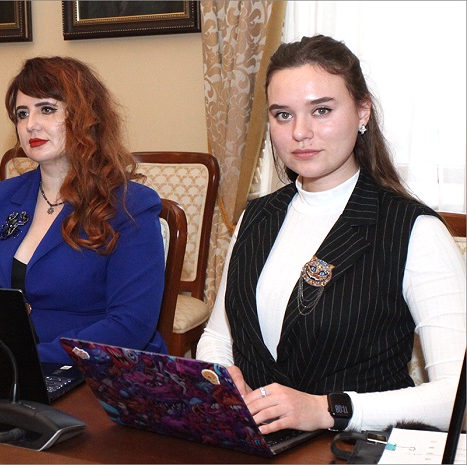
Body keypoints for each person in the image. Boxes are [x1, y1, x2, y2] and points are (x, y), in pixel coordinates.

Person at [197, 35, 466, 434]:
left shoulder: (415, 231)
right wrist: (222, 376)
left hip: (355, 447)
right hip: (256, 443)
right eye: (283, 115)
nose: (299, 132)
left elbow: (457, 398)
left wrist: (328, 409)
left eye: (321, 110)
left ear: (362, 112)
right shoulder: (256, 216)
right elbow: (219, 337)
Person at [0, 56, 168, 365]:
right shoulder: (3, 196)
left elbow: (130, 326)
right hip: (8, 367)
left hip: (96, 371)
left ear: (85, 116)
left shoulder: (130, 205)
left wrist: (28, 359)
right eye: (22, 114)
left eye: (46, 109)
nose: (30, 124)